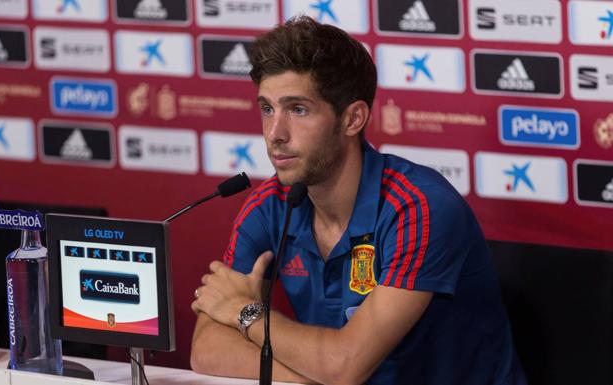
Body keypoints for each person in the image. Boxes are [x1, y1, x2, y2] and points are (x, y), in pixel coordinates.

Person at [190, 16, 526, 385]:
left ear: (353, 119)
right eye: (268, 108)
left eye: (298, 110)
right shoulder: (269, 205)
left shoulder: (419, 208)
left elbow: (346, 366)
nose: (275, 134)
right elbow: (206, 349)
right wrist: (318, 377)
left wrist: (245, 311)